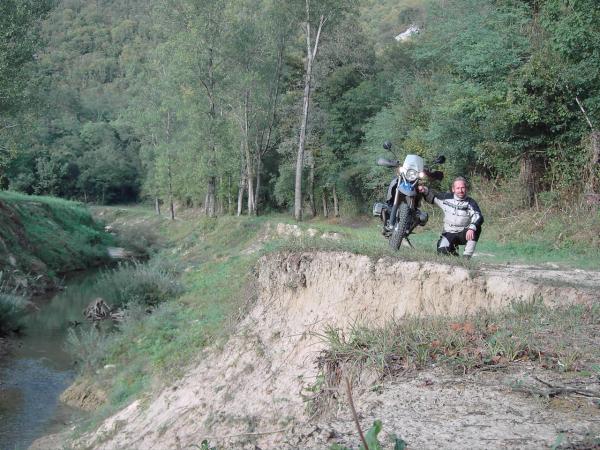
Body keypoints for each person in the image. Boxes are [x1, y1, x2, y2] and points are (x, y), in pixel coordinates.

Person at [418, 177, 483, 258]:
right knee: (442, 253)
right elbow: (432, 198)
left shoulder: (471, 202)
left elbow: (478, 216)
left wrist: (472, 228)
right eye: (458, 188)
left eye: (463, 188)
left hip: (464, 233)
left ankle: (467, 257)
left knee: (476, 228)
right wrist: (424, 189)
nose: (460, 190)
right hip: (449, 232)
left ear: (466, 189)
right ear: (453, 189)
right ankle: (454, 254)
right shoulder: (446, 198)